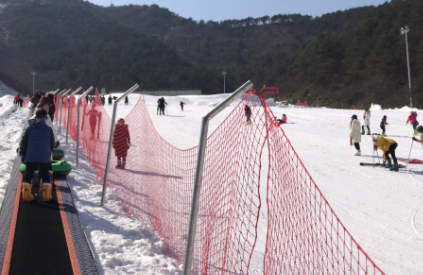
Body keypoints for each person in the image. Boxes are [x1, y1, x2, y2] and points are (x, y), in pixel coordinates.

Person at [19, 109, 55, 202]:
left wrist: (22, 153)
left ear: (35, 117)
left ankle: (26, 196)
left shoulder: (29, 129)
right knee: (45, 174)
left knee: (28, 174)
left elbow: (24, 143)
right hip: (44, 157)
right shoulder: (49, 129)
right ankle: (46, 196)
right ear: (45, 118)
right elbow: (51, 145)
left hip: (30, 157)